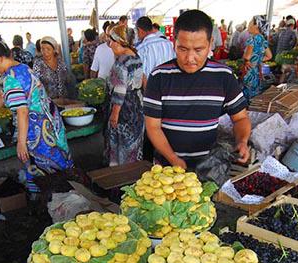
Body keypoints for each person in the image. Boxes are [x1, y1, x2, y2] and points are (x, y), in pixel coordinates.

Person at [144, 9, 251, 170]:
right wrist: (173, 158)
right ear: (174, 42)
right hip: (167, 170)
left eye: (198, 50)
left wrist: (242, 141)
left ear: (210, 44)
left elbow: (240, 118)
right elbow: (153, 126)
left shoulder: (224, 76)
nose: (190, 58)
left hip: (210, 168)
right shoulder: (159, 76)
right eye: (183, 49)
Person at [0, 38, 73, 192]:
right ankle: (68, 198)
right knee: (60, 166)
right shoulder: (21, 68)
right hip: (51, 124)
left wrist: (21, 142)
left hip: (38, 134)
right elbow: (1, 96)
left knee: (47, 175)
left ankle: (53, 204)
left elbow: (22, 111)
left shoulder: (11, 79)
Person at [105, 24, 144, 166]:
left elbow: (120, 91)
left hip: (124, 109)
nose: (110, 45)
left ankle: (120, 179)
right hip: (137, 106)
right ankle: (134, 175)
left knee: (120, 145)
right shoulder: (136, 56)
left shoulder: (121, 61)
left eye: (112, 41)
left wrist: (114, 114)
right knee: (134, 144)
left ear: (120, 41)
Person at [241, 16, 273, 104]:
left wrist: (247, 61)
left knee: (247, 96)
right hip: (257, 72)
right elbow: (269, 56)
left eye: (250, 22)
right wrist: (257, 60)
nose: (248, 24)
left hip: (249, 72)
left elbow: (247, 57)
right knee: (255, 95)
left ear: (256, 26)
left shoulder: (252, 39)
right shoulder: (262, 39)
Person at [135, 16, 175, 83]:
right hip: (171, 87)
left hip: (152, 90)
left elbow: (143, 76)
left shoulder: (141, 49)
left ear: (140, 30)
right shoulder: (169, 44)